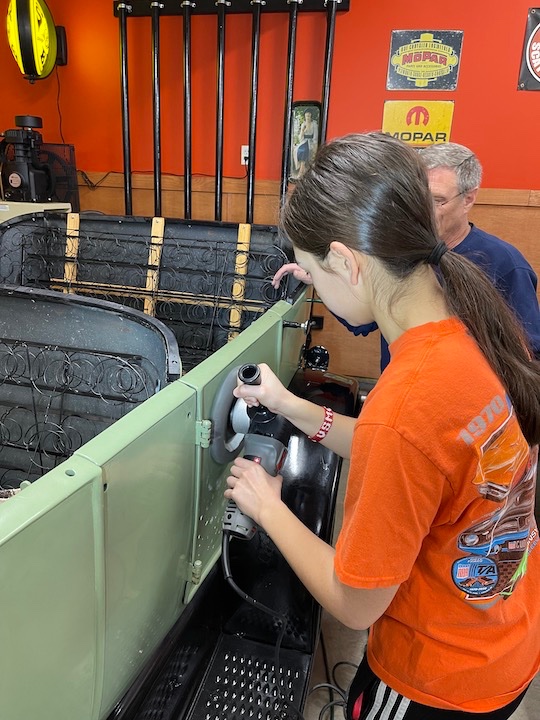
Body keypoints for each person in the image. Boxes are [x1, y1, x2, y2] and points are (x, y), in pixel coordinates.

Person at [226, 133, 540, 719]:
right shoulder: (467, 329)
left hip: (436, 678)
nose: (315, 287)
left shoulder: (407, 403)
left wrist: (267, 506)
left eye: (313, 272)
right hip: (502, 637)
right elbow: (417, 454)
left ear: (347, 262)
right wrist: (290, 406)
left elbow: (355, 603)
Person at [274, 141, 540, 369]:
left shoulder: (507, 264)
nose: (426, 212)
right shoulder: (398, 247)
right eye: (419, 200)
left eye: (438, 200)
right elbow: (362, 320)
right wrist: (326, 273)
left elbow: (528, 357)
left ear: (468, 199)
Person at [293, 109, 318, 178]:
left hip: (311, 141)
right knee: (298, 150)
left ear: (311, 116)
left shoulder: (314, 124)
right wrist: (303, 131)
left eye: (309, 116)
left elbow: (315, 136)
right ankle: (302, 170)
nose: (308, 118)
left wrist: (315, 144)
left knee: (305, 150)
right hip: (304, 141)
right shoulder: (303, 124)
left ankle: (301, 172)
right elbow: (300, 138)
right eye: (306, 116)